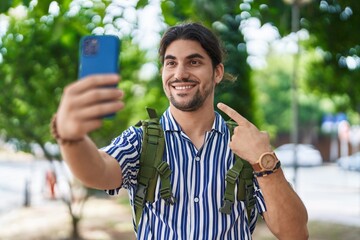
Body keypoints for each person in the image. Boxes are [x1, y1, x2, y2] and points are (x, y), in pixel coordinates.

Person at [52, 22, 308, 239]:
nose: (180, 73)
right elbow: (97, 170)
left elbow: (295, 232)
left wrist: (264, 161)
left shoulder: (247, 145)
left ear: (217, 72)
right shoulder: (141, 141)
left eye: (194, 62)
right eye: (171, 63)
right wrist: (70, 138)